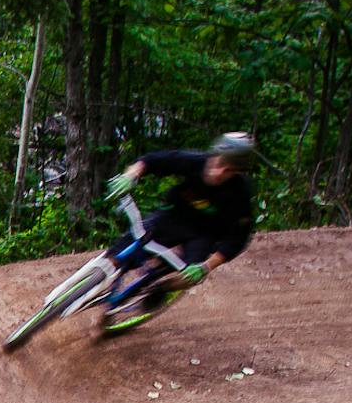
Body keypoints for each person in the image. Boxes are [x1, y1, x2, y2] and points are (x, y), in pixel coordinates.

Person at [97, 132, 258, 327]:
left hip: (203, 235)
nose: (219, 172)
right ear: (215, 154)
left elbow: (238, 239)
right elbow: (151, 161)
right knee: (123, 251)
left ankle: (160, 291)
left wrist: (206, 266)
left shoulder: (241, 193)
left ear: (239, 172)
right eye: (220, 163)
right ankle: (96, 279)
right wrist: (130, 176)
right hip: (172, 217)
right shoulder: (194, 162)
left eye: (229, 170)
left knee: (188, 277)